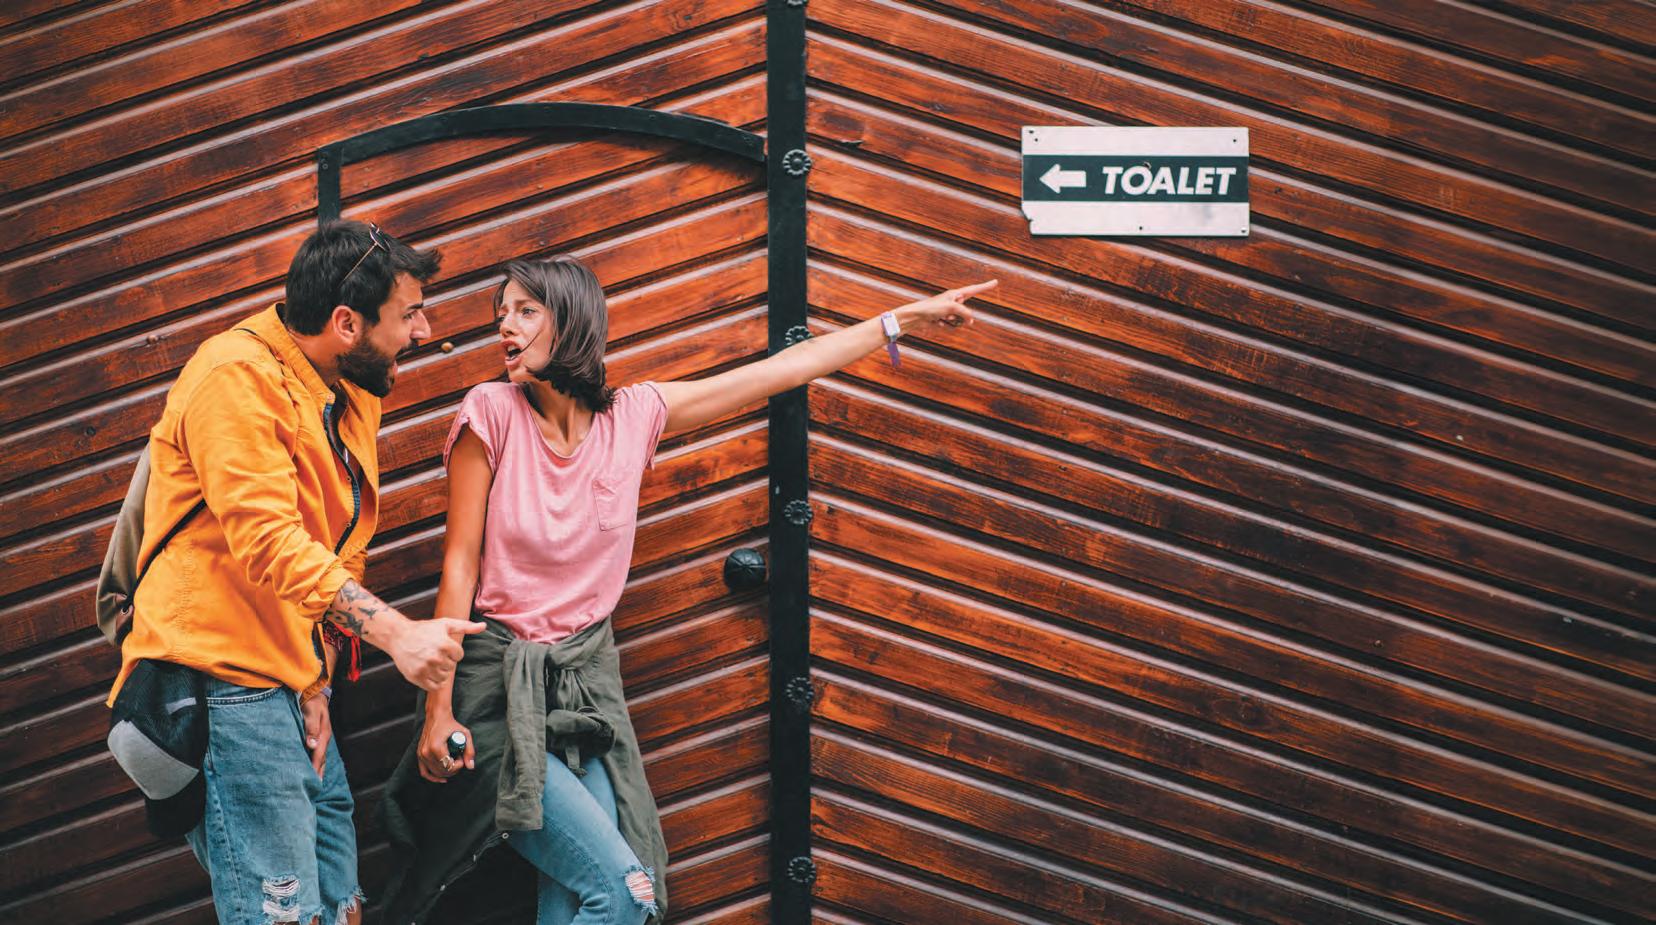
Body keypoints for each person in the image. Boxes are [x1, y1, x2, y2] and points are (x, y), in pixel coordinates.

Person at [379, 254, 995, 924]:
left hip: (585, 691)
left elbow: (778, 371)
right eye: (501, 313)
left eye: (526, 310)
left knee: (597, 893)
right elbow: (459, 568)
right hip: (498, 689)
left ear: (572, 319)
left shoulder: (634, 416)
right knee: (622, 889)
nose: (505, 325)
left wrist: (900, 320)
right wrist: (438, 709)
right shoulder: (490, 412)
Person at [107, 220, 485, 925]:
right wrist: (396, 633)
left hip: (290, 680)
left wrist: (316, 676)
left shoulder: (351, 389)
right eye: (409, 314)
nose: (424, 331)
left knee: (340, 904)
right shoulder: (236, 376)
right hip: (226, 683)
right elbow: (269, 540)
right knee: (283, 914)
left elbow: (340, 544)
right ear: (346, 323)